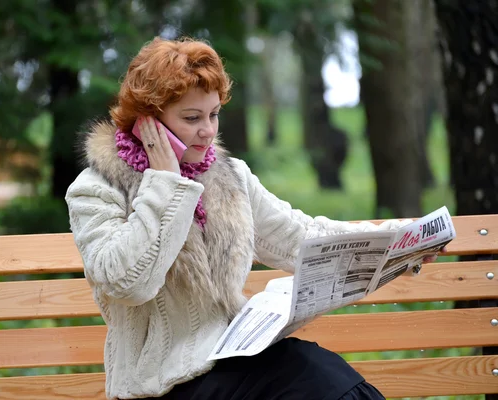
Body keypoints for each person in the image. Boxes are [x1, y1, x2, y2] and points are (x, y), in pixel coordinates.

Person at [65, 36, 441, 400]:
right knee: (312, 377)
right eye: (192, 117)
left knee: (322, 373)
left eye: (213, 114)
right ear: (148, 120)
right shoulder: (97, 188)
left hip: (233, 359)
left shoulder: (229, 177)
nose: (208, 131)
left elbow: (301, 235)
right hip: (159, 385)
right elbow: (128, 283)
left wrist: (398, 240)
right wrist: (164, 183)